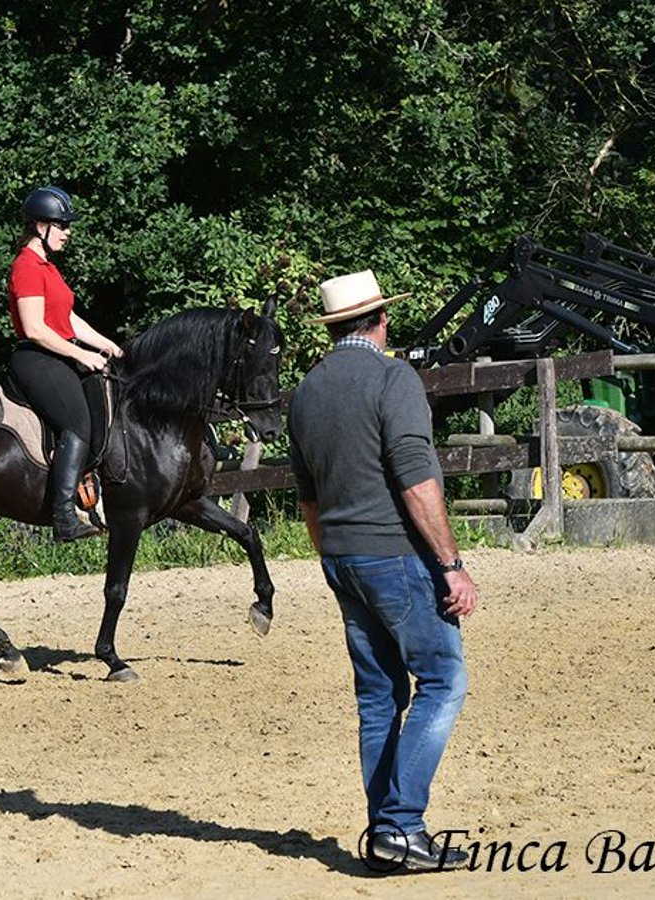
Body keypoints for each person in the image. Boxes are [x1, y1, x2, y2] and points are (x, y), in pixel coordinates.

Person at [288, 270, 479, 872]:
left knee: (378, 698)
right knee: (443, 680)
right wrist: (452, 564)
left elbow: (309, 500)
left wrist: (333, 559)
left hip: (341, 555)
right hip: (396, 554)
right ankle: (400, 825)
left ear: (333, 328)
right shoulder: (394, 378)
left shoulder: (307, 392)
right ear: (382, 321)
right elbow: (416, 481)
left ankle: (386, 834)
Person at [7, 185, 124, 541]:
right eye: (61, 225)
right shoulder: (27, 267)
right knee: (77, 423)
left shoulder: (48, 268)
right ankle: (63, 517)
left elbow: (67, 319)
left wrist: (108, 345)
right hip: (36, 357)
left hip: (57, 352)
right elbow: (34, 328)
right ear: (40, 226)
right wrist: (81, 354)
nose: (67, 232)